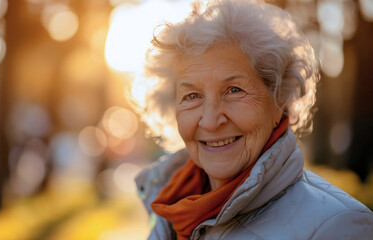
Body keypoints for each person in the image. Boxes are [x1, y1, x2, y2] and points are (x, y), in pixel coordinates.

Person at [131, 0, 373, 239]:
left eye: (234, 90)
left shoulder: (338, 226)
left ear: (279, 100)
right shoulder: (172, 208)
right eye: (192, 96)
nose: (211, 121)